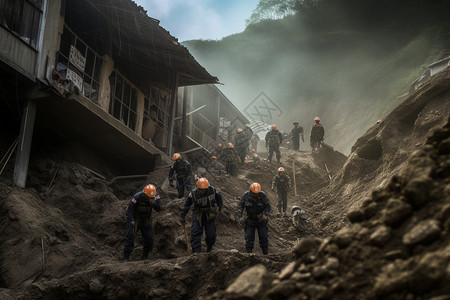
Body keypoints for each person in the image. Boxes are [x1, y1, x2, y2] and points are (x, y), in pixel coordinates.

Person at [180, 178, 223, 253]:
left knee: (211, 234)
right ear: (198, 187)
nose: (202, 191)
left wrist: (220, 208)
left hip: (210, 215)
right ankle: (196, 252)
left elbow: (219, 198)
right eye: (200, 189)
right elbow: (187, 204)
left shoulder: (213, 190)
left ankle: (209, 248)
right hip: (198, 215)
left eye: (204, 189)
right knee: (195, 233)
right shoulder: (193, 194)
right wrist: (183, 215)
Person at [123, 184, 162, 262]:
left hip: (146, 220)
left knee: (149, 239)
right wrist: (131, 220)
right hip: (135, 218)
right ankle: (126, 257)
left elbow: (159, 208)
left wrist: (154, 203)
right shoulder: (137, 197)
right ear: (144, 194)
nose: (149, 198)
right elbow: (129, 210)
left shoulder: (155, 197)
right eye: (148, 197)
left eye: (151, 197)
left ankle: (145, 256)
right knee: (130, 236)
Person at [236, 182, 271, 255]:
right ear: (251, 192)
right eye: (254, 193)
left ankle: (265, 254)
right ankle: (249, 253)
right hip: (250, 219)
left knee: (264, 237)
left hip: (261, 219)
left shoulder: (262, 195)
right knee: (249, 237)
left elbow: (268, 205)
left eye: (257, 193)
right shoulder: (246, 195)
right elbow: (241, 205)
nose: (256, 195)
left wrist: (265, 214)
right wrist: (239, 216)